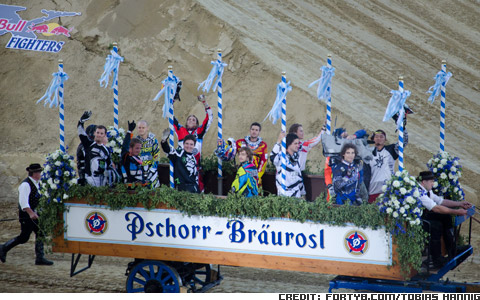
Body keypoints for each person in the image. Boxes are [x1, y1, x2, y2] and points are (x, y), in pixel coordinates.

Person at [0, 164, 53, 265]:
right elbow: (23, 202)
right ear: (34, 173)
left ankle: (40, 258)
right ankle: (4, 247)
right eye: (39, 172)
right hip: (27, 215)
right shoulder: (25, 185)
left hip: (36, 215)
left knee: (40, 233)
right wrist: (31, 213)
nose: (40, 174)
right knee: (24, 237)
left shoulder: (37, 183)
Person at [417, 171, 472, 268]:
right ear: (423, 182)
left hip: (424, 216)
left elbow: (441, 201)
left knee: (446, 217)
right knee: (435, 226)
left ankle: (452, 250)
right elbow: (436, 208)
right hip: (417, 220)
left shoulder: (427, 190)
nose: (433, 184)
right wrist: (456, 212)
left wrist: (459, 204)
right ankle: (436, 259)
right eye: (431, 181)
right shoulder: (419, 192)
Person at [173, 94, 213, 190]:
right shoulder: (180, 130)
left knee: (199, 191)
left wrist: (205, 103)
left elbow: (209, 118)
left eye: (194, 120)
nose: (191, 120)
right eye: (189, 119)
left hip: (195, 167)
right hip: (181, 168)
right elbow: (170, 117)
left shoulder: (199, 132)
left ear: (197, 123)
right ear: (186, 122)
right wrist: (172, 102)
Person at [322, 127, 368, 201]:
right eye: (343, 137)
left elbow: (363, 131)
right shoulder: (331, 156)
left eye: (346, 137)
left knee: (364, 200)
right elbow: (327, 172)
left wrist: (354, 136)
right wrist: (330, 186)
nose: (345, 139)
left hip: (356, 184)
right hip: (340, 186)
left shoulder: (350, 147)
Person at [367, 129, 408, 203]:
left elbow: (403, 142)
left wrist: (403, 128)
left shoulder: (391, 149)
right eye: (376, 137)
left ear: (385, 139)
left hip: (388, 188)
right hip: (373, 189)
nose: (379, 138)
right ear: (373, 139)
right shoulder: (368, 152)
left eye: (381, 137)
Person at [78, 111, 113, 187]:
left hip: (102, 182)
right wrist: (81, 122)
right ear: (94, 133)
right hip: (90, 180)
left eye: (101, 133)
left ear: (104, 135)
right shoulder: (88, 145)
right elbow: (81, 134)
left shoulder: (106, 150)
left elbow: (109, 165)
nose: (99, 135)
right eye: (97, 133)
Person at [270, 132, 305, 198]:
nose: (298, 145)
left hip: (297, 194)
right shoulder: (282, 157)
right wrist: (278, 141)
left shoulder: (296, 158)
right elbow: (272, 157)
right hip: (284, 194)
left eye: (298, 143)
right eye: (295, 143)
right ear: (289, 144)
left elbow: (299, 176)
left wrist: (303, 193)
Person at [120, 120, 150, 186]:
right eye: (137, 148)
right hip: (128, 189)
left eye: (140, 148)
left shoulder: (138, 158)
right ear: (130, 148)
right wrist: (129, 132)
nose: (138, 150)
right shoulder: (126, 158)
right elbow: (125, 147)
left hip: (139, 189)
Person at [136, 120, 160, 188]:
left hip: (151, 170)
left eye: (143, 127)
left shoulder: (153, 140)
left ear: (147, 128)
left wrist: (153, 168)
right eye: (139, 127)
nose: (141, 129)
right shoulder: (135, 141)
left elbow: (157, 154)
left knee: (153, 192)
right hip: (139, 171)